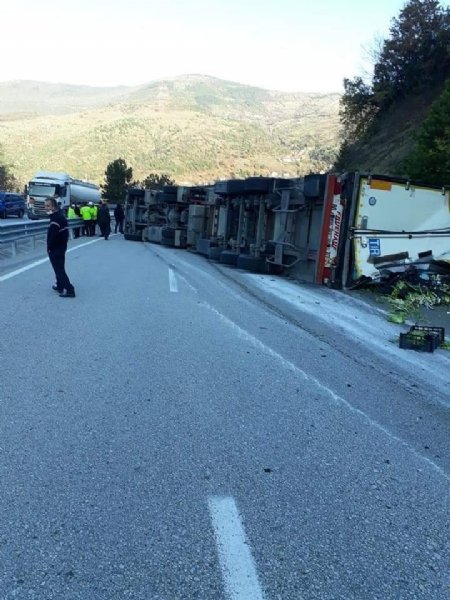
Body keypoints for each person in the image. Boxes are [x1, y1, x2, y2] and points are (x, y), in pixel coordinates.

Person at [45, 196, 76, 298]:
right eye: (45, 205)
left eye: (48, 206)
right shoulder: (60, 216)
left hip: (56, 248)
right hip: (61, 247)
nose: (46, 208)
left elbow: (53, 237)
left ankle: (70, 289)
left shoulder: (55, 219)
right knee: (59, 268)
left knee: (59, 270)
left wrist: (49, 247)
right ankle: (59, 285)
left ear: (53, 206)